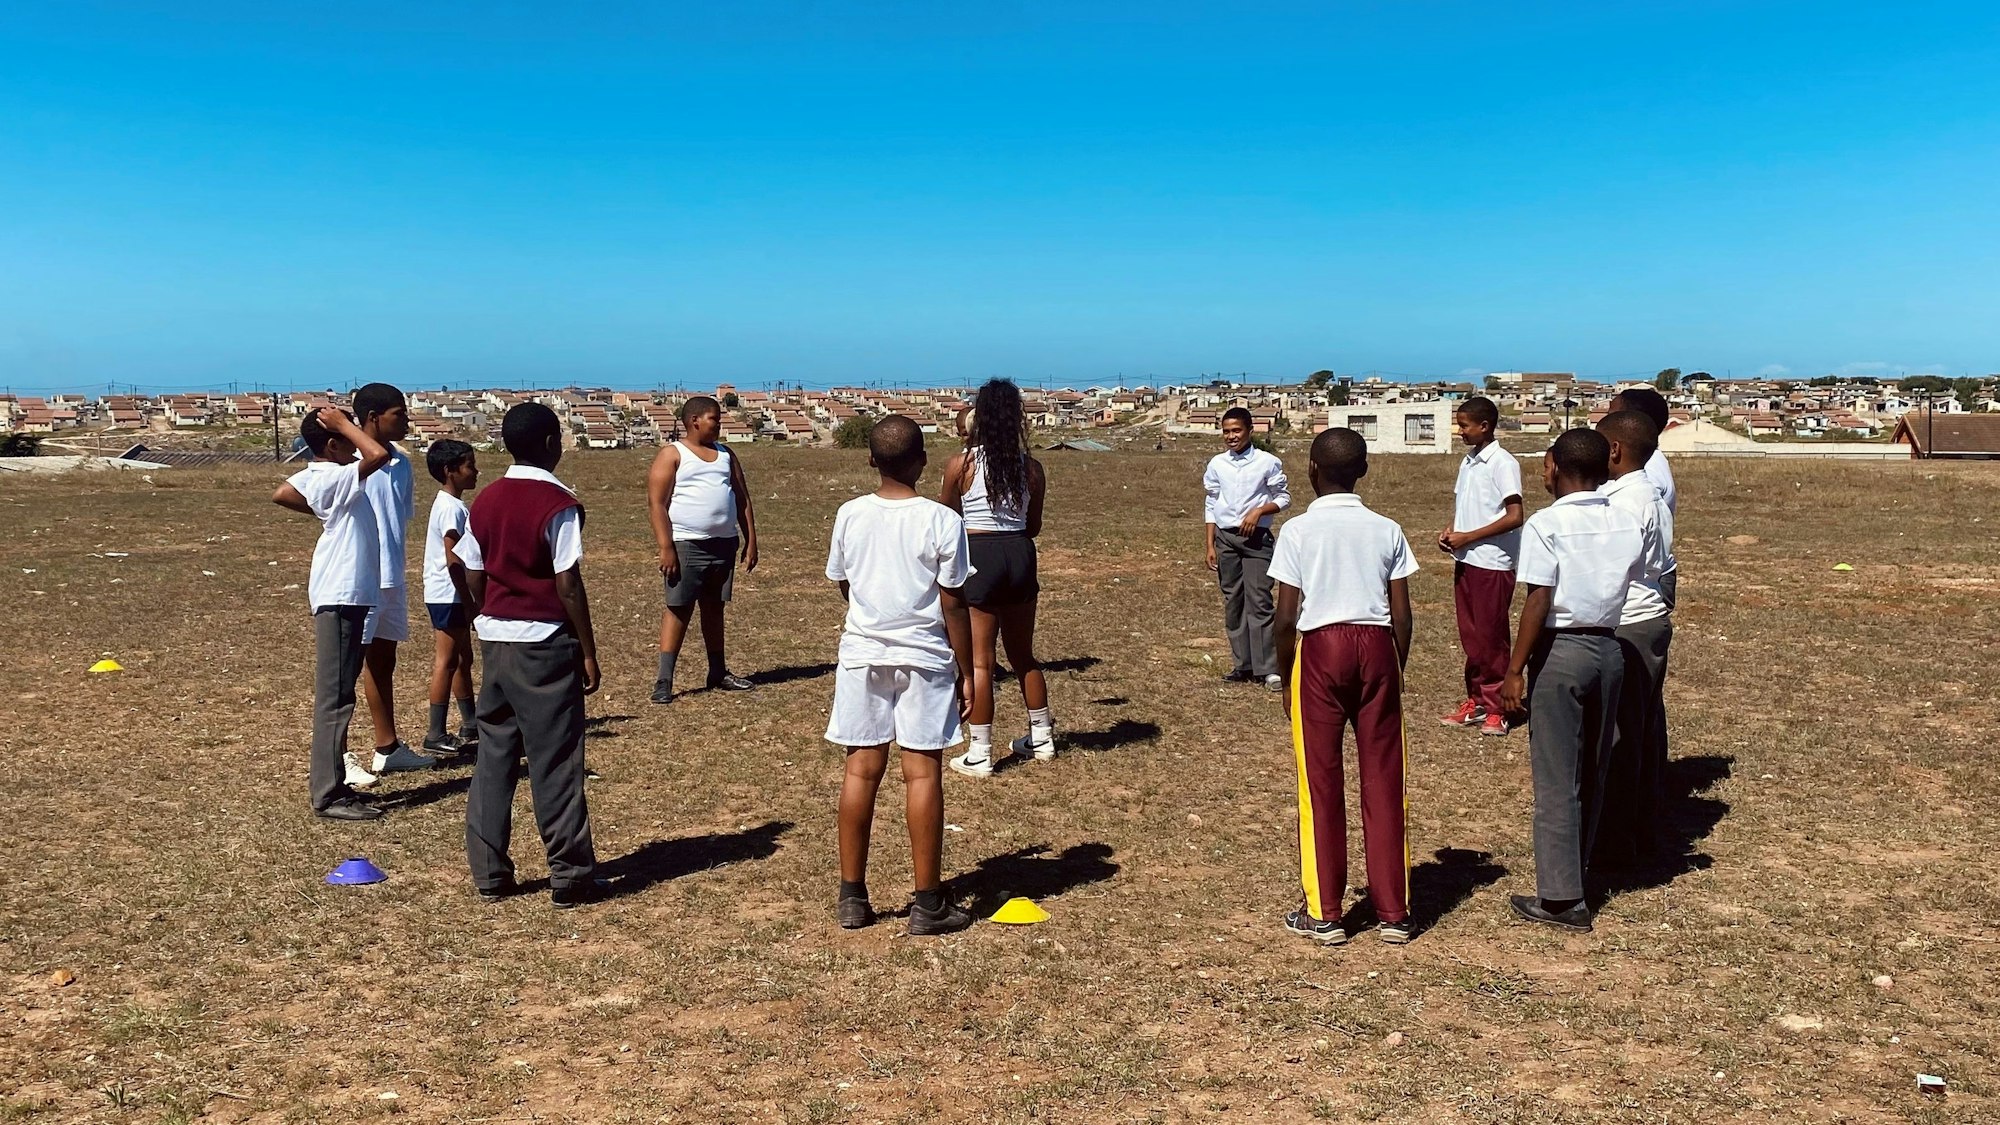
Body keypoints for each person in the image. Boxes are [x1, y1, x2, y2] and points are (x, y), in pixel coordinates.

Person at [824, 414, 976, 935]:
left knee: (860, 771)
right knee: (923, 773)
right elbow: (953, 602)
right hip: (925, 657)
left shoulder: (850, 514)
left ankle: (852, 895)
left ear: (871, 460)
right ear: (923, 462)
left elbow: (844, 582)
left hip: (863, 654)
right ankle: (927, 902)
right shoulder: (941, 520)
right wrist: (967, 669)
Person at [1271, 428, 1418, 945]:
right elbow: (1402, 612)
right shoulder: (1387, 529)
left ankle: (1325, 912)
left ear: (1311, 470)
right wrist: (1395, 667)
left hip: (1321, 648)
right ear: (1364, 471)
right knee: (1385, 777)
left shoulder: (1297, 531)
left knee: (1320, 782)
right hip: (1378, 646)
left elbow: (1285, 617)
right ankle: (1394, 912)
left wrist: (1285, 676)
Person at [456, 403, 605, 908]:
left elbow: (472, 570)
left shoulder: (486, 499)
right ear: (549, 444)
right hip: (544, 643)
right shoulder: (557, 502)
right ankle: (570, 874)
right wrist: (587, 650)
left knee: (494, 756)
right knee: (555, 759)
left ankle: (489, 872)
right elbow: (567, 582)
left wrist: (489, 612)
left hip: (495, 640)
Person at [1499, 428, 1646, 933]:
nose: (1542, 474)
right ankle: (1580, 872)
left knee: (1557, 777)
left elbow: (1539, 599)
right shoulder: (1626, 520)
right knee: (1593, 770)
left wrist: (1514, 669)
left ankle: (1562, 900)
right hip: (1609, 648)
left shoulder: (1547, 524)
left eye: (1545, 466)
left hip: (1561, 651)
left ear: (1557, 468)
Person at [270, 407, 392, 821]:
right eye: (346, 438)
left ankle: (335, 786)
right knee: (335, 699)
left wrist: (324, 510)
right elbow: (378, 455)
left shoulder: (326, 478)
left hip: (347, 596)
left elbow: (282, 492)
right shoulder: (332, 477)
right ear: (334, 444)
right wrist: (343, 425)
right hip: (340, 596)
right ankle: (326, 794)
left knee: (340, 694)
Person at [940, 379, 1055, 777]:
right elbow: (1033, 525)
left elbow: (947, 518)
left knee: (982, 662)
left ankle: (980, 751)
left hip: (980, 554)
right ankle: (1042, 737)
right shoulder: (1032, 468)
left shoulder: (962, 465)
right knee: (1023, 654)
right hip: (1020, 553)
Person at [347, 382, 442, 783]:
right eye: (398, 414)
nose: (406, 421)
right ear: (373, 418)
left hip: (391, 576)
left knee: (383, 660)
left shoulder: (401, 463)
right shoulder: (349, 460)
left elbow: (398, 519)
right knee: (346, 668)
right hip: (359, 577)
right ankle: (340, 755)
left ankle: (387, 747)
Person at [1594, 411, 1675, 865]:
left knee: (1621, 736)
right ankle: (1641, 826)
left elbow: (1613, 568)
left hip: (1629, 622)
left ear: (1614, 450)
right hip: (1649, 617)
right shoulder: (1649, 495)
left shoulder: (1624, 503)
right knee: (1642, 728)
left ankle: (1618, 840)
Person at [646, 395, 759, 704]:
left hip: (723, 544)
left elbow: (742, 498)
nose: (719, 424)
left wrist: (751, 540)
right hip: (686, 545)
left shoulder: (726, 455)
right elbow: (657, 504)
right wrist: (666, 546)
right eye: (714, 419)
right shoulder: (673, 454)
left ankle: (718, 671)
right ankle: (664, 680)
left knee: (714, 607)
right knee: (678, 608)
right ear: (694, 421)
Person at [1438, 395, 1525, 737]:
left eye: (1464, 426)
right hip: (1467, 559)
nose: (1459, 431)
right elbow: (1467, 506)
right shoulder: (1469, 461)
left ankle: (1498, 707)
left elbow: (1515, 515)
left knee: (1491, 637)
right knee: (1472, 636)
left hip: (1492, 562)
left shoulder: (1503, 463)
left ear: (1485, 426)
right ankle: (1476, 700)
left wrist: (1469, 536)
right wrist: (1452, 532)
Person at [1203, 406, 1290, 691]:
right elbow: (1211, 503)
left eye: (1236, 430)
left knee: (1259, 600)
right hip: (1226, 539)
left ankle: (1269, 669)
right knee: (1234, 602)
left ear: (1250, 431)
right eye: (1226, 431)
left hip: (1256, 541)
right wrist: (1210, 543)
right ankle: (1243, 664)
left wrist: (1259, 511)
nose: (1231, 436)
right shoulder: (1218, 464)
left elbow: (1283, 497)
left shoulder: (1267, 462)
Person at [420, 439, 480, 755]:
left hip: (449, 593)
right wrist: (469, 600)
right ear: (450, 470)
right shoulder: (451, 509)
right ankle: (435, 732)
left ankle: (471, 722)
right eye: (470, 466)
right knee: (446, 661)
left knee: (462, 658)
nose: (476, 471)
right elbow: (453, 558)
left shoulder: (451, 504)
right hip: (449, 594)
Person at [1605, 387, 1678, 606]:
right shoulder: (1641, 461)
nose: (1604, 421)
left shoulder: (1646, 469)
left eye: (1611, 414)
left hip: (1640, 584)